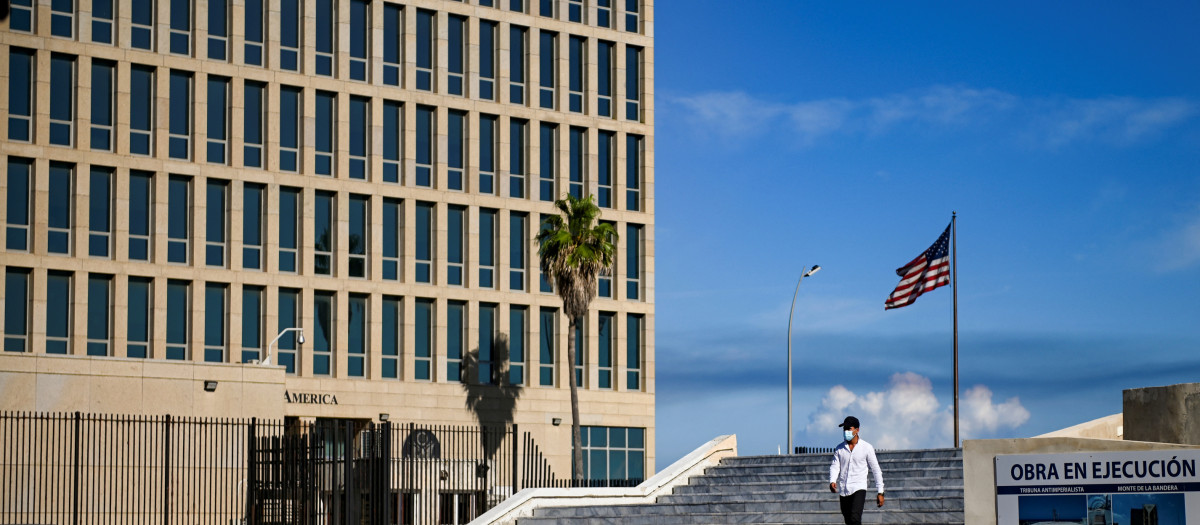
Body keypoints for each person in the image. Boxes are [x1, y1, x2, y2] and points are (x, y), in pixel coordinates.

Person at [828, 416, 884, 525]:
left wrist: (880, 491)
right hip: (844, 489)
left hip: (859, 487)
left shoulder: (866, 447)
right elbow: (835, 466)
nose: (846, 431)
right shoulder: (839, 448)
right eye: (845, 429)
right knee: (849, 521)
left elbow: (876, 469)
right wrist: (832, 480)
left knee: (855, 519)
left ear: (857, 430)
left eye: (849, 429)